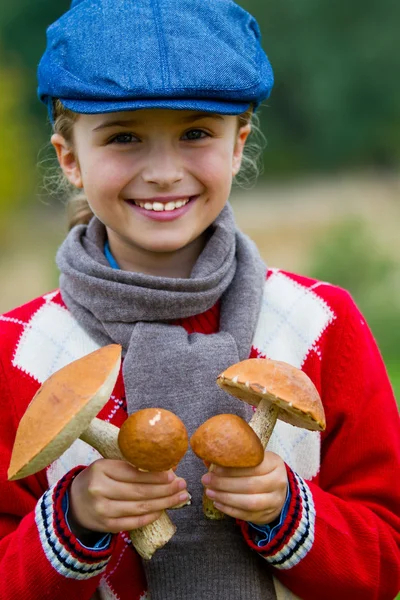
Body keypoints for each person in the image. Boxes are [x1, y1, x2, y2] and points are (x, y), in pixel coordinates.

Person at [0, 0, 399, 598]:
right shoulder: (19, 352)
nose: (164, 172)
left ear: (238, 145)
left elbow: (385, 560)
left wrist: (287, 509)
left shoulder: (319, 324)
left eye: (195, 133)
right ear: (70, 158)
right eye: (124, 137)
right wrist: (73, 517)